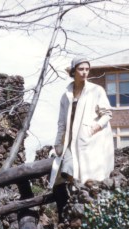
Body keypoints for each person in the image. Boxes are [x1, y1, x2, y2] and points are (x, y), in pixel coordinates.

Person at [49, 56, 114, 218]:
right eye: (81, 69)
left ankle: (85, 211)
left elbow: (107, 114)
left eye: (87, 69)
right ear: (73, 71)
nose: (84, 72)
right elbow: (61, 123)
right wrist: (58, 143)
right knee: (65, 172)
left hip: (90, 142)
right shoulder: (66, 95)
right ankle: (68, 213)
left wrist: (95, 128)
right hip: (70, 142)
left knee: (89, 177)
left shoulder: (96, 90)